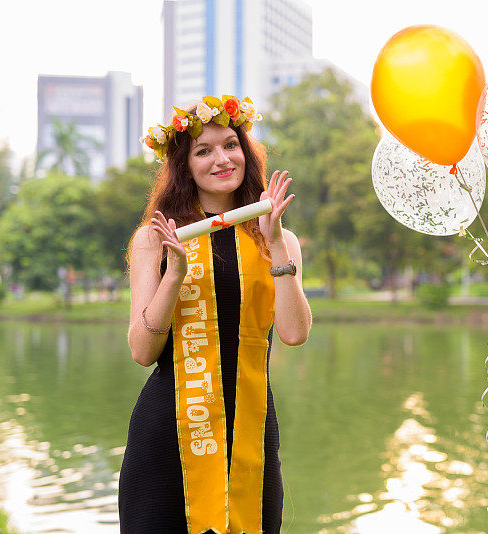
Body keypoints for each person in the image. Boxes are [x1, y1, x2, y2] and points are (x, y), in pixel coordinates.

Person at [118, 95, 312, 533]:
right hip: (168, 433)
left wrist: (277, 243)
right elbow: (142, 351)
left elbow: (295, 333)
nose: (222, 159)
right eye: (203, 151)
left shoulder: (278, 238)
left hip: (251, 429)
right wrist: (174, 276)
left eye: (231, 144)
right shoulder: (157, 239)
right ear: (183, 167)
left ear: (246, 151)